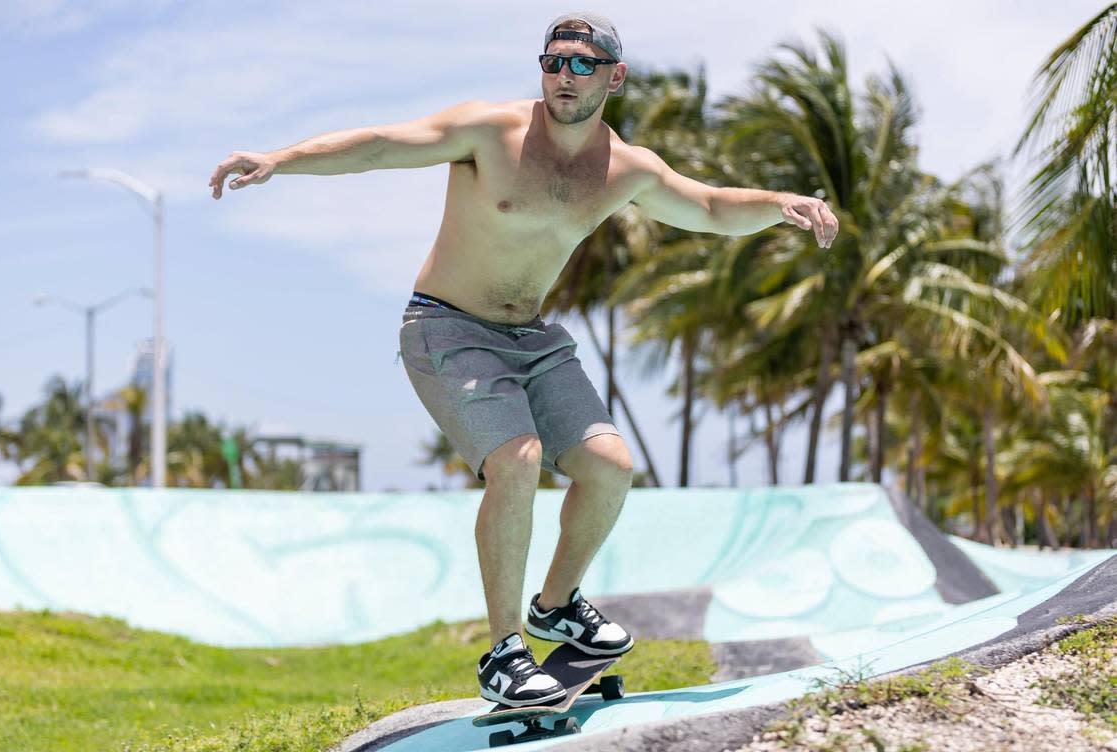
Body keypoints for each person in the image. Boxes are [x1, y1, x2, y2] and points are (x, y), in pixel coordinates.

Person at [208, 11, 838, 708]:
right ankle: (505, 650)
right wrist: (279, 159)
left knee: (609, 468)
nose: (563, 77)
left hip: (532, 337)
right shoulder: (490, 131)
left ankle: (557, 605)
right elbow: (382, 146)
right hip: (445, 327)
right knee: (517, 459)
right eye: (552, 62)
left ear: (614, 77)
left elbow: (715, 208)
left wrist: (782, 204)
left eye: (581, 65)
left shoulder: (624, 167)